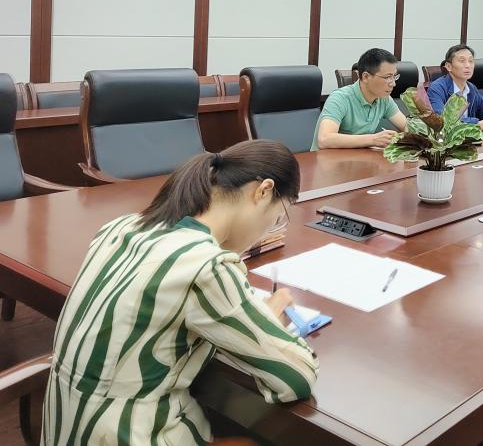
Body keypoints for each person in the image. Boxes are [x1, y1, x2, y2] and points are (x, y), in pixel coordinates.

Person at [43, 140, 319, 445]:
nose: (269, 228)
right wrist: (268, 320)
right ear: (263, 191)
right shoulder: (205, 266)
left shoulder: (120, 227)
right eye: (278, 217)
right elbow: (296, 378)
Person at [312, 47, 408, 150]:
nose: (393, 84)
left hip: (359, 157)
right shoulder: (340, 98)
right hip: (327, 158)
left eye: (394, 76)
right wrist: (373, 139)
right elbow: (324, 139)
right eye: (387, 77)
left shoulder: (384, 99)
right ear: (366, 77)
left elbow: (406, 127)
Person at [428, 44, 483, 132]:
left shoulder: (471, 88)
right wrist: (475, 124)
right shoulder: (437, 88)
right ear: (449, 66)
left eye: (471, 61)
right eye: (462, 61)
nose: (468, 65)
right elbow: (441, 120)